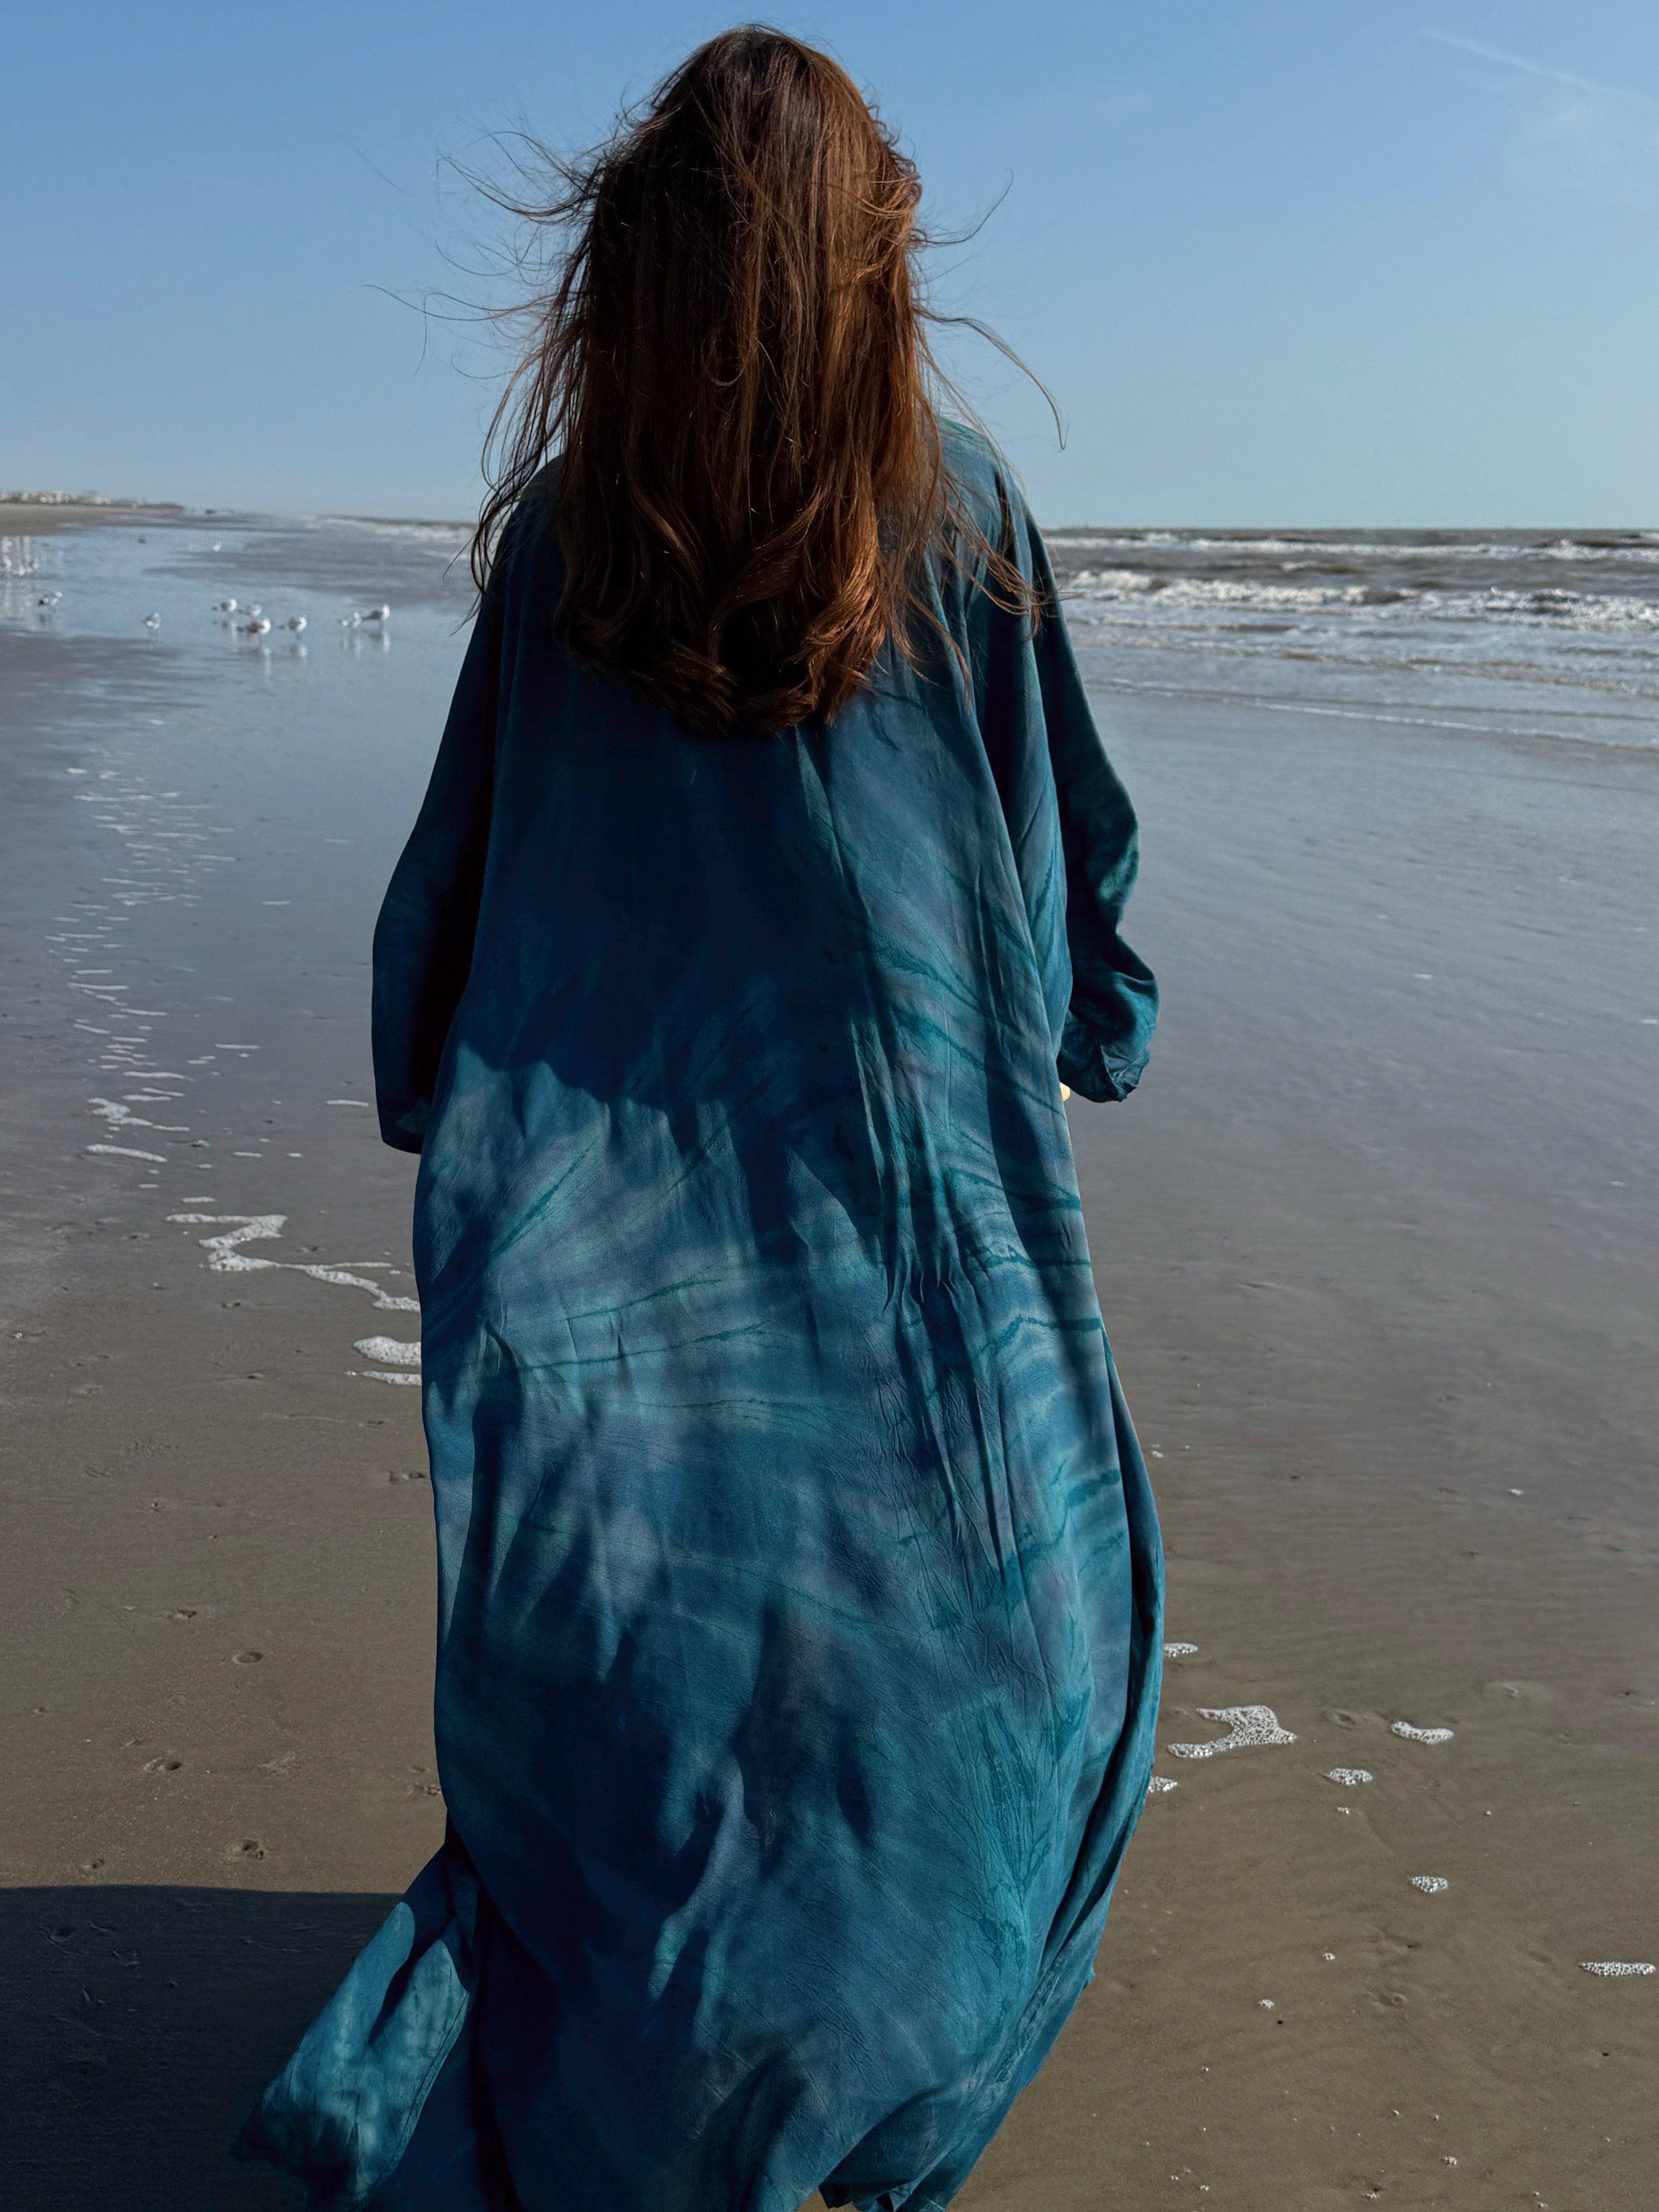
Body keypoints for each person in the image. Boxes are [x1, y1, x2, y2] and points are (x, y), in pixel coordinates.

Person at [237, 27, 1162, 2212]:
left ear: (639, 276)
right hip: (913, 1228)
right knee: (992, 1657)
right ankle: (841, 2096)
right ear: (874, 285)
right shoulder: (969, 520)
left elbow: (448, 897)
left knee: (644, 1678)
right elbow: (1061, 876)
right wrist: (1095, 1016)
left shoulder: (571, 545)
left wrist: (435, 1082)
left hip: (595, 1248)